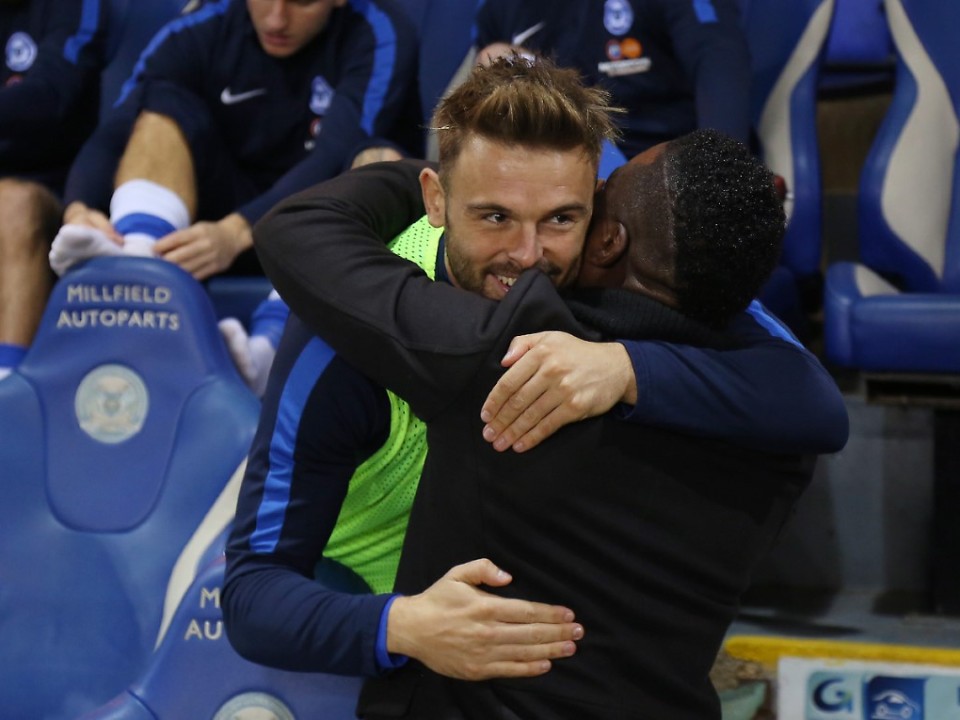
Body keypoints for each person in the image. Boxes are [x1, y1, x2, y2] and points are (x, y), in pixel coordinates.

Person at [225, 55, 847, 700]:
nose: (527, 257)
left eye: (560, 219)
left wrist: (626, 367)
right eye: (494, 216)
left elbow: (808, 393)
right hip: (358, 600)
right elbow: (250, 597)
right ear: (436, 200)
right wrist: (400, 625)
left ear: (600, 214)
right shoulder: (344, 329)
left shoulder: (615, 266)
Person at [47, 0, 419, 394]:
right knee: (159, 110)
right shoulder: (202, 25)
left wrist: (238, 231)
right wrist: (77, 207)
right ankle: (140, 271)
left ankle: (269, 351)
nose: (276, 18)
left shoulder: (379, 32)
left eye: (301, 2)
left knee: (376, 161)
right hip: (208, 226)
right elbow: (117, 128)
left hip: (315, 223)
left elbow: (335, 151)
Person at [473, 0, 752, 162]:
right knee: (494, 57)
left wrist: (721, 169)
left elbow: (719, 61)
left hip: (662, 165)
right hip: (554, 165)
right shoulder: (503, 7)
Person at [0, 0, 109, 378]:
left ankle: (7, 389)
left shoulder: (72, 6)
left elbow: (51, 95)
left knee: (11, 204)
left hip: (52, 187)